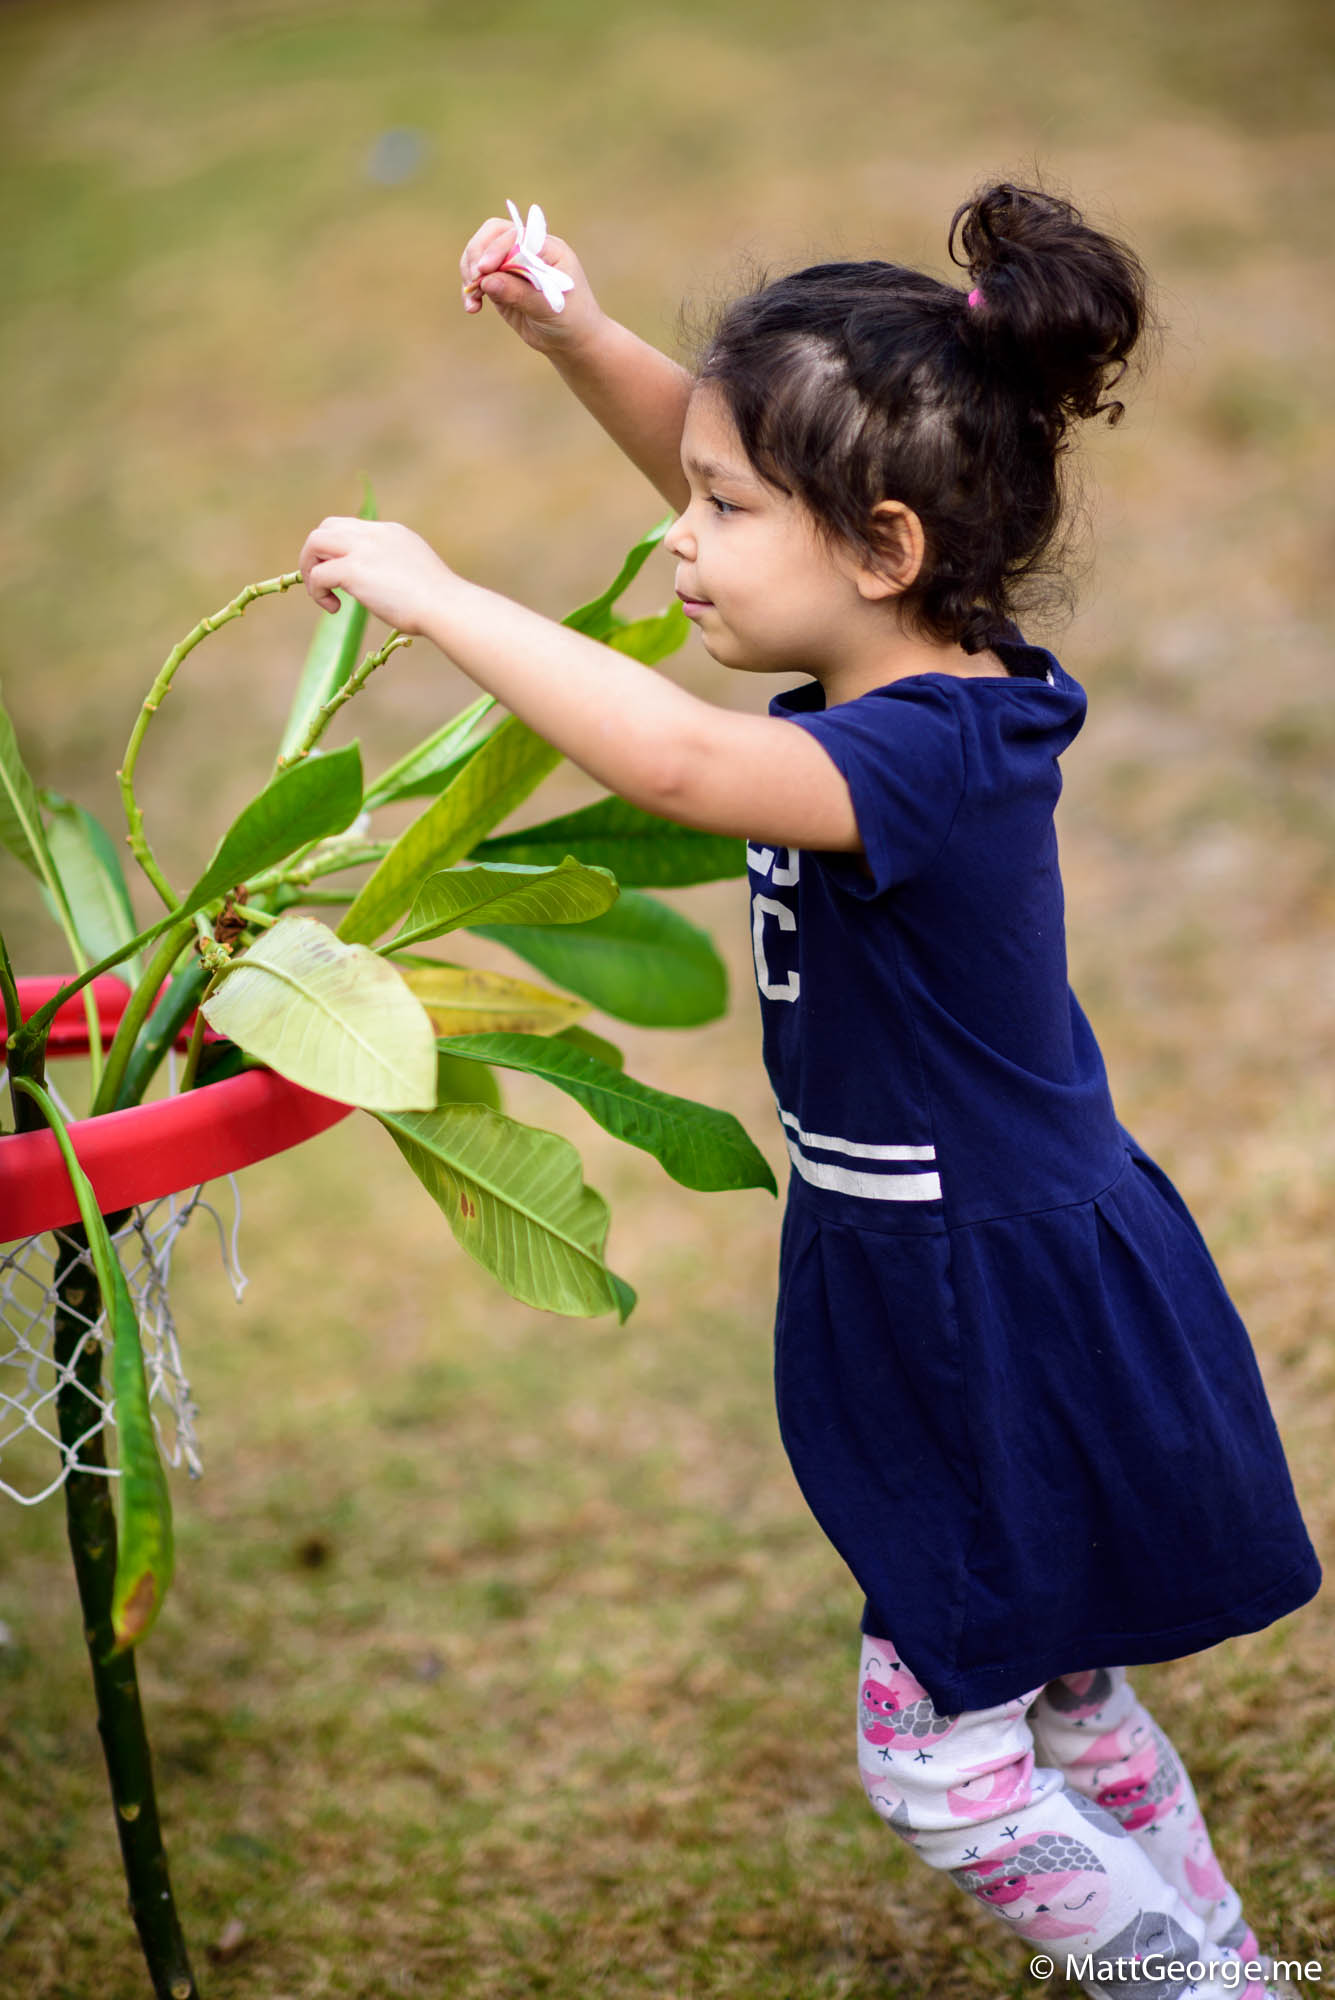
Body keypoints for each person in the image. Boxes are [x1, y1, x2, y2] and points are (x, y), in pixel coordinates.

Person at [298, 183, 1320, 2000]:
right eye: (691, 488)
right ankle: (1223, 1957)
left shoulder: (933, 756)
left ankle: (1199, 1984)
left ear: (883, 547)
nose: (682, 539)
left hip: (984, 1299)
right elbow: (739, 486)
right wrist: (574, 337)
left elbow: (685, 766)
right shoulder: (900, 661)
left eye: (720, 510)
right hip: (944, 1272)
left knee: (939, 1760)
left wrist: (447, 600)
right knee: (1064, 1693)